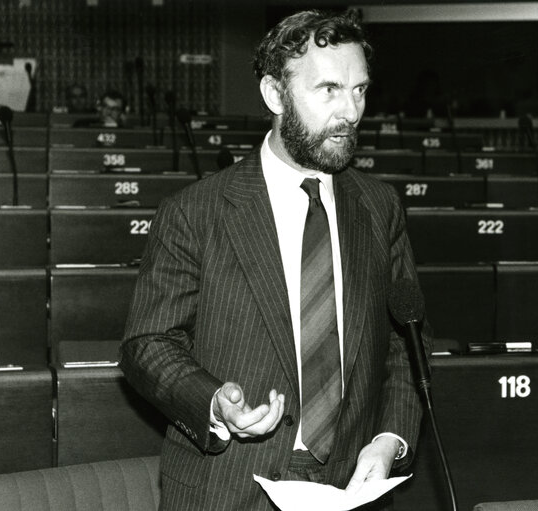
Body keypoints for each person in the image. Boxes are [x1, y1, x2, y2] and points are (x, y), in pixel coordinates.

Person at [119, 9, 429, 511]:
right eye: (328, 90)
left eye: (360, 90)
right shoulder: (195, 211)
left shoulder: (379, 207)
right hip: (228, 489)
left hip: (353, 488)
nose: (350, 111)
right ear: (273, 94)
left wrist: (389, 439)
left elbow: (405, 345)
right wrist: (213, 401)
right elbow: (147, 345)